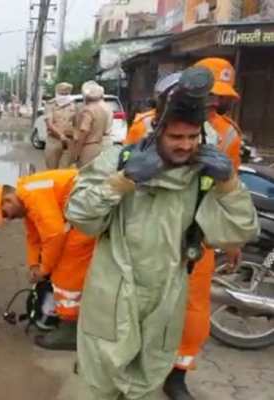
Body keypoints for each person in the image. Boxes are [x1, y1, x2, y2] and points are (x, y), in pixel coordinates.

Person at [65, 67, 258, 400]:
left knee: (147, 378)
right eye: (176, 138)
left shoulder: (203, 176)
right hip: (114, 289)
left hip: (168, 292)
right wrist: (123, 181)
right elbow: (79, 215)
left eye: (192, 137)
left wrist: (228, 185)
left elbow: (237, 232)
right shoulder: (121, 160)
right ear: (157, 132)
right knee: (102, 381)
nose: (185, 146)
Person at [163, 57, 244, 400]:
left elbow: (232, 186)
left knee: (194, 308)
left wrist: (232, 239)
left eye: (218, 97)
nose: (213, 103)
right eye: (208, 95)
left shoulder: (227, 134)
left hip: (200, 231)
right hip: (157, 229)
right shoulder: (153, 125)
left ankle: (177, 373)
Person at [0, 169, 95, 350]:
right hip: (84, 209)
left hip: (88, 214)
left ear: (8, 200)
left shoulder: (33, 196)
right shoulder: (27, 195)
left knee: (65, 271)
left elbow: (54, 234)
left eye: (5, 214)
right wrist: (34, 265)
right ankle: (75, 317)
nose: (9, 219)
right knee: (59, 261)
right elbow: (33, 237)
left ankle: (70, 331)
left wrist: (45, 269)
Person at [74, 81, 110, 167]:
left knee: (84, 175)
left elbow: (84, 131)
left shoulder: (88, 110)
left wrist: (77, 152)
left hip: (88, 147)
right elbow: (104, 130)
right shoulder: (102, 110)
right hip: (98, 146)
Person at [44, 82, 77, 169]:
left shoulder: (74, 105)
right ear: (57, 93)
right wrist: (61, 136)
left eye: (66, 94)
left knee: (64, 172)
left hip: (69, 142)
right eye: (62, 94)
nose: (64, 96)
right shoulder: (50, 104)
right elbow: (49, 124)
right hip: (54, 141)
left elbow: (77, 124)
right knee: (51, 171)